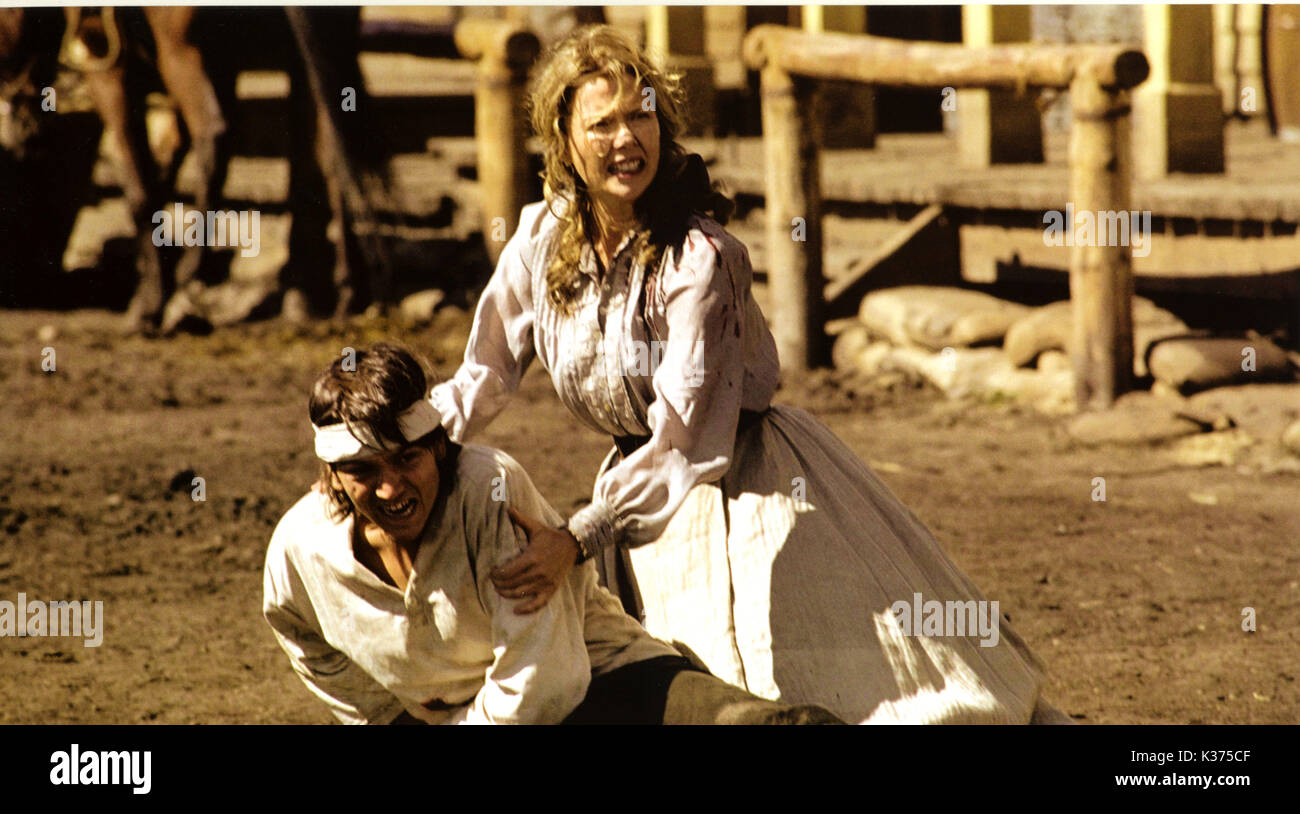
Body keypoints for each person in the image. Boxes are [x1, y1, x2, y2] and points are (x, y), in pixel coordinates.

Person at [428, 25, 1071, 724]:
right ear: (564, 139)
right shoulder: (541, 239)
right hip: (642, 500)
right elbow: (482, 376)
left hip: (747, 480)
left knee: (824, 691)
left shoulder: (700, 260)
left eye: (640, 114)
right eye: (602, 123)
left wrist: (578, 537)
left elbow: (682, 442)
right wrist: (388, 443)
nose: (625, 140)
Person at [262, 343, 843, 724]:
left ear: (439, 446)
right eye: (363, 471)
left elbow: (544, 681)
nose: (391, 489)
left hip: (603, 687)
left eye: (408, 460)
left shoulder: (487, 489)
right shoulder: (301, 547)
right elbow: (295, 629)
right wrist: (387, 718)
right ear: (332, 475)